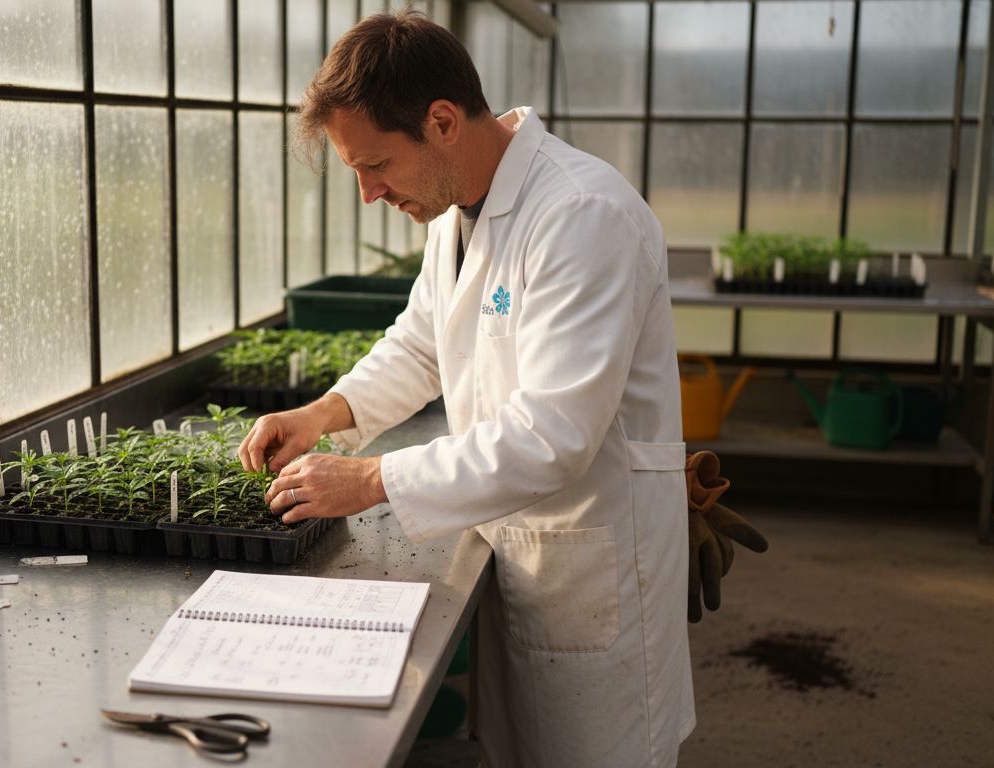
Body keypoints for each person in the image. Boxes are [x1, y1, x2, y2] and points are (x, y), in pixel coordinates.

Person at [238, 11, 692, 767]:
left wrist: (371, 478)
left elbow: (553, 436)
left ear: (442, 121)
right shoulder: (456, 211)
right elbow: (423, 342)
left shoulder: (583, 216)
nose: (368, 193)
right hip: (521, 547)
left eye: (374, 165)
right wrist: (324, 414)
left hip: (592, 563)